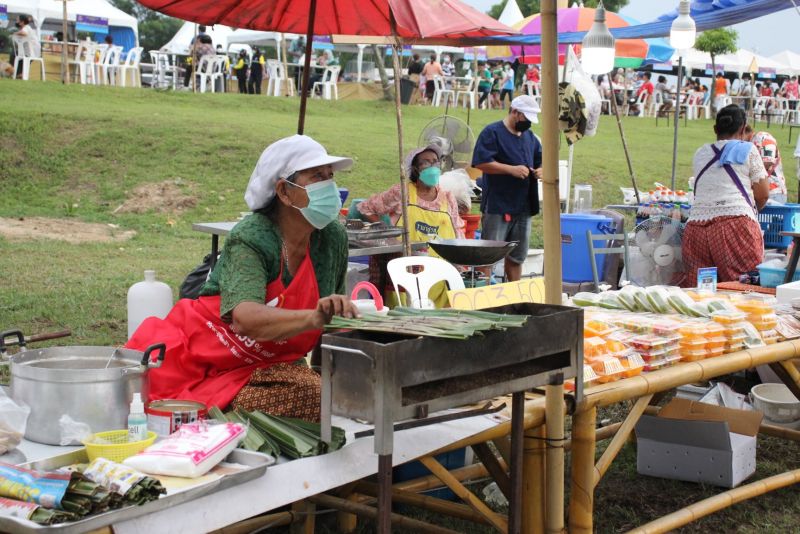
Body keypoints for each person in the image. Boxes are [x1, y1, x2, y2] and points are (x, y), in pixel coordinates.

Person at [126, 135, 357, 421]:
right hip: (198, 360)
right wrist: (312, 318)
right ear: (284, 192)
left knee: (331, 392)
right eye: (317, 177)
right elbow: (244, 318)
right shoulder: (252, 236)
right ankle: (206, 415)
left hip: (268, 366)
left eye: (330, 177)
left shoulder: (332, 238)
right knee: (316, 397)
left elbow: (332, 321)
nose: (330, 187)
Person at [357, 144, 464, 307]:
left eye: (435, 162)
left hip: (440, 278)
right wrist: (384, 230)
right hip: (405, 277)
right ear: (415, 168)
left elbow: (458, 235)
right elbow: (366, 207)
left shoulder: (447, 199)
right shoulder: (403, 192)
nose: (432, 166)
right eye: (426, 162)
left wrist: (460, 268)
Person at [681, 105, 769, 288]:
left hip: (696, 229)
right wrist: (751, 213)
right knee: (742, 288)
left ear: (715, 129)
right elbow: (763, 194)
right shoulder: (748, 149)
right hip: (735, 226)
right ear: (744, 128)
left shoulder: (701, 153)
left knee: (702, 292)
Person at [472, 95, 543, 282]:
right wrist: (510, 170)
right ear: (515, 112)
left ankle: (514, 296)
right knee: (489, 255)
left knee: (517, 256)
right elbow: (481, 162)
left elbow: (539, 159)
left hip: (524, 206)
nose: (528, 123)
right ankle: (484, 295)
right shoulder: (492, 133)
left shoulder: (530, 137)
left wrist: (540, 170)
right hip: (498, 204)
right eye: (526, 119)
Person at [744, 126, 787, 203]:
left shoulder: (764, 137)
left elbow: (768, 161)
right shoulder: (746, 145)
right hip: (757, 193)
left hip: (773, 193)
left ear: (742, 131)